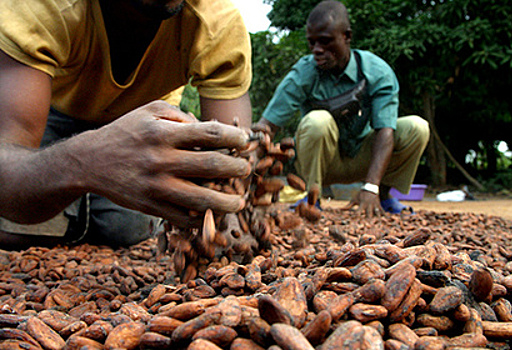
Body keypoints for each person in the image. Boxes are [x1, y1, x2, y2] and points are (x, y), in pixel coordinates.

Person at [0, 0, 253, 249]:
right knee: (19, 231)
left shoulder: (218, 21)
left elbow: (233, 159)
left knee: (126, 230)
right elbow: (6, 165)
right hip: (50, 108)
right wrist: (84, 162)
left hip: (145, 121)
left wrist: (227, 212)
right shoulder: (39, 6)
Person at [255, 0, 430, 217]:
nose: (317, 50)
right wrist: (246, 167)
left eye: (326, 41)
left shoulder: (376, 71)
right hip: (323, 163)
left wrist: (371, 186)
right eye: (312, 43)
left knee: (417, 127)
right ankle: (312, 198)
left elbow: (385, 131)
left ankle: (382, 196)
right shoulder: (304, 72)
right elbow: (267, 125)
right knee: (317, 120)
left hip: (365, 158)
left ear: (346, 36)